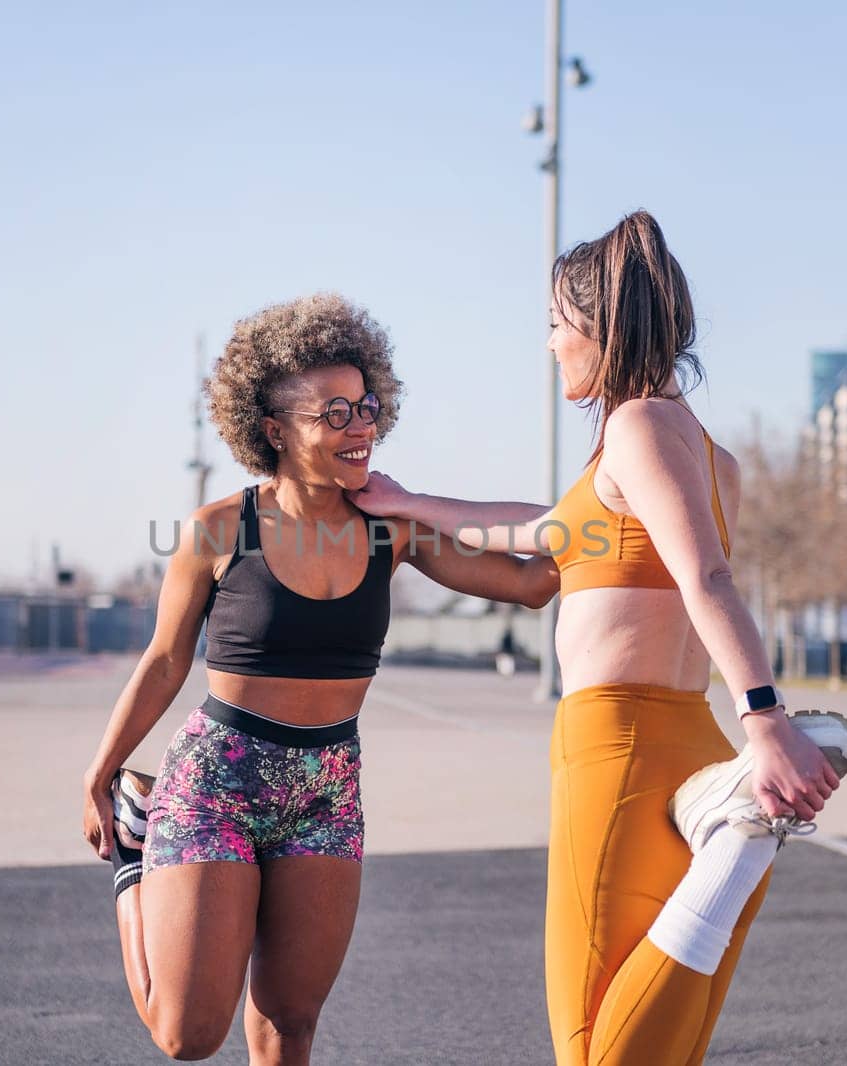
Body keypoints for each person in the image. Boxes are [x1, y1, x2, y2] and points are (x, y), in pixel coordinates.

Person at [349, 210, 847, 1066]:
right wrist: (411, 504)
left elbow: (706, 579)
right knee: (665, 1040)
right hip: (676, 739)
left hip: (619, 745)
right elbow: (544, 532)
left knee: (595, 1047)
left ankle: (738, 838)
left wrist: (767, 720)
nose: (551, 344)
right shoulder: (701, 452)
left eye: (557, 326)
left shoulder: (635, 429)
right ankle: (731, 839)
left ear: (599, 328)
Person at [81, 293, 558, 1065]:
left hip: (327, 790)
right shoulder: (216, 531)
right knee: (188, 1034)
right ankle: (138, 865)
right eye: (332, 413)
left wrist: (418, 503)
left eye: (365, 406)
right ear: (274, 430)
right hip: (216, 783)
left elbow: (540, 575)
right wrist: (101, 771)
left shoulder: (390, 529)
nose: (359, 425)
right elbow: (166, 660)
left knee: (291, 1022)